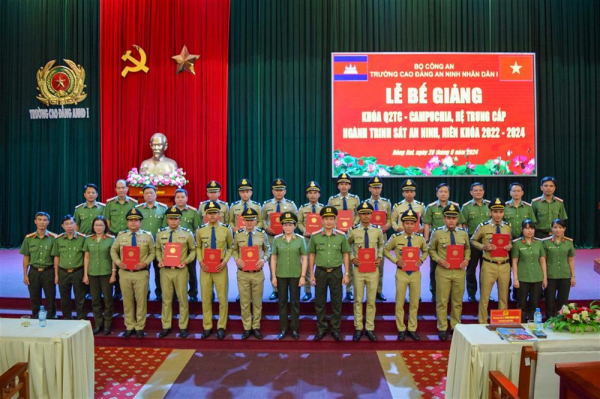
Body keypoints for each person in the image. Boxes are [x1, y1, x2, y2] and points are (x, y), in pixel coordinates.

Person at [110, 208, 155, 338]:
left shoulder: (147, 236)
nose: (133, 223)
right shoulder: (121, 236)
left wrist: (145, 263)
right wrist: (118, 262)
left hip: (141, 273)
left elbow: (152, 252)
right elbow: (113, 251)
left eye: (136, 220)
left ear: (141, 222)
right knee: (127, 301)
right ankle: (129, 326)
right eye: (130, 221)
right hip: (124, 273)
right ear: (127, 222)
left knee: (141, 301)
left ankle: (140, 327)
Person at [384, 210, 428, 341]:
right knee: (400, 302)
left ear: (416, 224)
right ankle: (401, 329)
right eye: (406, 223)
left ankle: (412, 328)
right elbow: (385, 250)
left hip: (415, 274)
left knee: (414, 303)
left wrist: (421, 259)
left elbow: (426, 250)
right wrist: (395, 260)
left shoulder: (419, 239)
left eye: (412, 223)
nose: (409, 226)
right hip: (401, 273)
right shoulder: (395, 238)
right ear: (402, 224)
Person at [308, 206, 351, 341]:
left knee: (336, 302)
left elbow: (345, 254)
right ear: (322, 220)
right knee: (319, 302)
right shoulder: (315, 236)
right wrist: (311, 274)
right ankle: (321, 329)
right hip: (320, 272)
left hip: (336, 272)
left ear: (335, 220)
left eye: (331, 219)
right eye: (326, 219)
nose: (328, 221)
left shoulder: (341, 236)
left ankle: (335, 329)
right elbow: (312, 255)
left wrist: (347, 273)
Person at [428, 204, 470, 341]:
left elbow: (468, 249)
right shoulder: (437, 232)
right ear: (444, 218)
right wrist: (438, 260)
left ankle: (455, 326)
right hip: (443, 271)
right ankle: (442, 327)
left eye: (454, 218)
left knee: (457, 301)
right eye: (448, 218)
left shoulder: (463, 233)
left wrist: (466, 259)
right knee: (442, 301)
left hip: (459, 271)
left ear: (458, 218)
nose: (451, 220)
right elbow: (431, 249)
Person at [155, 206, 196, 339]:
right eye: (171, 219)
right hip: (165, 271)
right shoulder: (160, 234)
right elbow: (157, 249)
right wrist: (160, 260)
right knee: (166, 300)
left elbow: (193, 250)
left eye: (176, 219)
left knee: (183, 299)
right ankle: (166, 326)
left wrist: (186, 261)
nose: (173, 221)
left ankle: (183, 326)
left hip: (180, 270)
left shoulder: (187, 234)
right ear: (167, 220)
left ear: (180, 219)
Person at [470, 198, 513, 324]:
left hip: (504, 264)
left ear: (504, 212)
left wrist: (510, 245)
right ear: (490, 212)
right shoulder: (483, 227)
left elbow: (510, 240)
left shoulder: (507, 227)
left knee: (503, 297)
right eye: (495, 212)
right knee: (485, 297)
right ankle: (482, 322)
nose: (498, 214)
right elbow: (473, 240)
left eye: (500, 211)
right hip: (489, 264)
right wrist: (483, 247)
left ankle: (501, 322)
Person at [347, 202, 385, 341]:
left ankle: (369, 328)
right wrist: (352, 258)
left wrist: (380, 257)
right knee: (357, 300)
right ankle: (358, 327)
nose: (365, 216)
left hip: (373, 270)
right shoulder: (353, 230)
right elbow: (346, 246)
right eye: (363, 213)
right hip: (358, 270)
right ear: (359, 215)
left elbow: (381, 245)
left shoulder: (377, 230)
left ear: (372, 214)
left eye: (368, 213)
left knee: (371, 300)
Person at [196, 201, 233, 340]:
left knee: (222, 298)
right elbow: (198, 247)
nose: (212, 215)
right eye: (209, 213)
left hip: (220, 267)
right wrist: (200, 261)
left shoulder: (226, 229)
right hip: (205, 268)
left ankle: (221, 326)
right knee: (206, 298)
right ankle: (207, 326)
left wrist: (224, 261)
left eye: (214, 213)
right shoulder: (200, 230)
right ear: (206, 214)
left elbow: (231, 247)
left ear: (219, 214)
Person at [233, 208, 271, 339]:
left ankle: (256, 327)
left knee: (257, 302)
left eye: (252, 220)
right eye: (247, 220)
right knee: (244, 302)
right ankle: (247, 327)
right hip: (243, 273)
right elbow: (234, 249)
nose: (249, 223)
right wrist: (237, 258)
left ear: (256, 221)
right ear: (243, 221)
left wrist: (263, 259)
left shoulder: (262, 234)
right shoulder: (238, 235)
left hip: (257, 273)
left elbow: (268, 250)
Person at [270, 212, 308, 340]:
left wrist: (303, 276)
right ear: (282, 226)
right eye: (285, 224)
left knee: (295, 302)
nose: (287, 227)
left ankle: (295, 329)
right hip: (281, 275)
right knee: (282, 302)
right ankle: (283, 328)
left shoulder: (300, 240)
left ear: (295, 226)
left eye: (290, 224)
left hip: (295, 275)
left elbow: (304, 257)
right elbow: (274, 258)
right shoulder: (276, 239)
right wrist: (273, 276)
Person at [422, 183, 460, 302]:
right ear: (437, 193)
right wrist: (427, 240)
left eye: (446, 192)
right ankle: (434, 291)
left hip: (453, 242)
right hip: (437, 243)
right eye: (441, 192)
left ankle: (450, 292)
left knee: (453, 267)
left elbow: (461, 224)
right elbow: (427, 224)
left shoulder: (455, 206)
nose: (443, 194)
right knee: (434, 268)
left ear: (449, 193)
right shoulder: (431, 207)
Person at [262, 178, 298, 300]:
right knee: (274, 263)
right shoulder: (266, 204)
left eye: (281, 190)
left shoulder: (291, 205)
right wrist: (267, 228)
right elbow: (262, 220)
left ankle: (290, 288)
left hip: (287, 238)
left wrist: (288, 229)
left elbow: (296, 221)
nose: (278, 192)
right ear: (272, 191)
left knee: (288, 261)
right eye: (276, 190)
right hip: (272, 239)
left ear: (285, 191)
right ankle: (276, 290)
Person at [103, 179, 138, 300]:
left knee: (129, 261)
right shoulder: (110, 203)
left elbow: (136, 220)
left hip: (129, 235)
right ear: (115, 189)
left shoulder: (134, 203)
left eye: (123, 188)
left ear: (127, 189)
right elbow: (107, 220)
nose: (121, 190)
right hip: (114, 235)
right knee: (115, 263)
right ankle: (116, 291)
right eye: (118, 188)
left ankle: (131, 289)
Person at [327, 173, 360, 301]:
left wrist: (353, 224)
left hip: (351, 234)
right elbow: (330, 216)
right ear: (338, 185)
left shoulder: (355, 199)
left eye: (346, 184)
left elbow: (358, 214)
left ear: (350, 186)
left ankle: (349, 289)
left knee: (350, 262)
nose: (344, 186)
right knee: (336, 261)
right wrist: (336, 226)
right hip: (337, 234)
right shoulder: (332, 200)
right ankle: (337, 289)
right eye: (341, 184)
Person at [20, 212, 57, 319]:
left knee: (50, 297)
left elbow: (56, 257)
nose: (42, 222)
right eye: (39, 220)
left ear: (48, 222)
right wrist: (25, 274)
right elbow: (26, 257)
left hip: (48, 271)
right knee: (34, 297)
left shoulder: (54, 238)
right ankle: (36, 318)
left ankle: (51, 317)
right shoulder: (29, 238)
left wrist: (56, 274)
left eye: (45, 220)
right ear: (35, 222)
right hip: (34, 271)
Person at [504, 182, 537, 301]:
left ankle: (519, 293)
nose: (516, 193)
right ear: (510, 193)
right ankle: (506, 293)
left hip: (523, 243)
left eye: (518, 191)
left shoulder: (528, 207)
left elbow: (532, 225)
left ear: (522, 193)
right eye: (514, 191)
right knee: (507, 270)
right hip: (508, 243)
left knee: (522, 268)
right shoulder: (505, 206)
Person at [83, 216, 116, 335]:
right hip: (92, 273)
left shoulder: (111, 239)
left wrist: (113, 273)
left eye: (101, 225)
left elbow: (113, 258)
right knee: (95, 300)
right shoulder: (88, 239)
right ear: (93, 226)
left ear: (105, 226)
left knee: (108, 300)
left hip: (106, 273)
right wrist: (85, 275)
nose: (98, 227)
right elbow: (86, 257)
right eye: (96, 225)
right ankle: (98, 324)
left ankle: (107, 325)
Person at [168, 188, 201, 302]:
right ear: (175, 199)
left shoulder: (193, 211)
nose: (180, 199)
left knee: (191, 270)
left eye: (182, 197)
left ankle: (192, 292)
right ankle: (175, 294)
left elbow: (197, 229)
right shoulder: (169, 212)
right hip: (174, 248)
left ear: (186, 198)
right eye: (178, 197)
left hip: (189, 246)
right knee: (174, 272)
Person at [459, 182, 490, 303]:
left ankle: (485, 294)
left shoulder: (489, 205)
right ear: (471, 192)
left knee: (486, 269)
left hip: (488, 241)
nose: (478, 192)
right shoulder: (466, 207)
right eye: (475, 190)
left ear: (483, 192)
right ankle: (471, 294)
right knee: (471, 269)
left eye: (480, 190)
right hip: (473, 240)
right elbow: (463, 225)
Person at [511, 219, 547, 322]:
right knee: (521, 304)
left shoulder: (539, 243)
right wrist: (515, 279)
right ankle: (521, 325)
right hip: (523, 278)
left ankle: (532, 324)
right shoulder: (517, 243)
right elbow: (514, 262)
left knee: (534, 304)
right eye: (526, 228)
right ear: (522, 230)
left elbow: (542, 261)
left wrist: (544, 278)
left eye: (531, 228)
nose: (529, 231)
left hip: (537, 277)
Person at [52, 215, 87, 320]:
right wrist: (56, 275)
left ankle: (81, 319)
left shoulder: (82, 238)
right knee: (64, 297)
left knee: (80, 298)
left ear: (75, 224)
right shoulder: (58, 239)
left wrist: (85, 274)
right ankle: (67, 318)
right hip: (63, 272)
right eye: (66, 224)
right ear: (62, 226)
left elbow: (86, 257)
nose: (69, 226)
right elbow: (56, 257)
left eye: (71, 223)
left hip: (78, 271)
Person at [136, 184, 167, 300]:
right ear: (143, 195)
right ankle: (145, 291)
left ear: (156, 194)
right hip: (142, 245)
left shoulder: (163, 208)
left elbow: (164, 228)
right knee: (143, 271)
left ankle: (159, 292)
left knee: (159, 270)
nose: (149, 195)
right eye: (146, 193)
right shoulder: (138, 209)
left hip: (158, 246)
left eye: (151, 193)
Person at [297, 181, 325, 301]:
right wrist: (304, 231)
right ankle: (307, 291)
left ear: (319, 194)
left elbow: (328, 222)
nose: (313, 195)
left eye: (315, 193)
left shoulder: (324, 208)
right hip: (307, 240)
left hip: (321, 240)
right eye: (310, 193)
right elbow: (299, 223)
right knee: (307, 265)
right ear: (307, 195)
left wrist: (320, 231)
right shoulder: (303, 208)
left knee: (320, 266)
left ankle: (319, 290)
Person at [364, 176, 391, 302]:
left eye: (379, 187)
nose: (376, 190)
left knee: (380, 264)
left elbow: (390, 219)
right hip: (368, 236)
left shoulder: (386, 203)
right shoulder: (365, 204)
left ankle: (379, 291)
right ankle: (369, 291)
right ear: (370, 188)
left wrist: (387, 225)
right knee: (367, 263)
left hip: (382, 235)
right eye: (374, 187)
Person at [543, 219, 575, 319]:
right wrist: (544, 277)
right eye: (555, 227)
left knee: (563, 302)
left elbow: (570, 260)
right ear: (551, 229)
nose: (557, 230)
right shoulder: (545, 242)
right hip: (550, 276)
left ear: (564, 229)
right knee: (549, 302)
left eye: (560, 227)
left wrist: (573, 276)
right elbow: (543, 260)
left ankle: (561, 322)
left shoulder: (569, 242)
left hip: (565, 275)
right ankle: (549, 322)